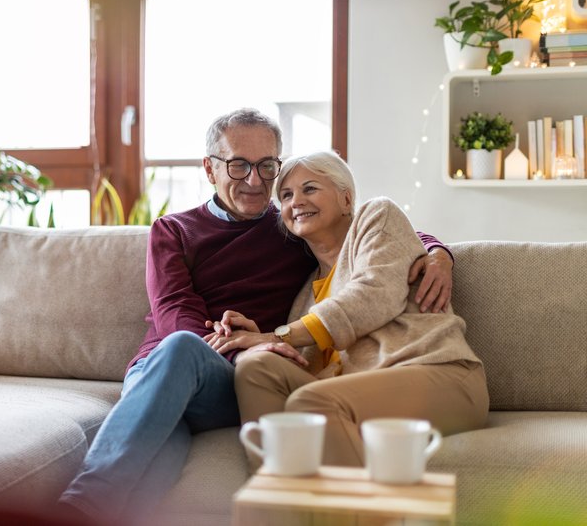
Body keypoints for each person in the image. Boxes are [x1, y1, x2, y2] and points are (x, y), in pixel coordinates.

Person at [56, 110, 454, 525]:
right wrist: (246, 347)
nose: (254, 180)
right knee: (163, 431)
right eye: (238, 164)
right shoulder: (173, 230)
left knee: (187, 370)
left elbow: (369, 232)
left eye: (267, 166)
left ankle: (73, 511)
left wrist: (438, 253)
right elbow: (174, 312)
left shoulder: (290, 224)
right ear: (209, 169)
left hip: (240, 381)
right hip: (166, 368)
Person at [209, 150, 489, 468]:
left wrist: (279, 336)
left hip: (440, 375)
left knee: (313, 402)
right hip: (359, 393)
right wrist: (262, 343)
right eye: (286, 195)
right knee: (254, 368)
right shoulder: (304, 297)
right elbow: (314, 366)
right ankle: (281, 498)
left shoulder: (377, 218)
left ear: (346, 199)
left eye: (310, 188)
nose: (295, 201)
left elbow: (371, 296)